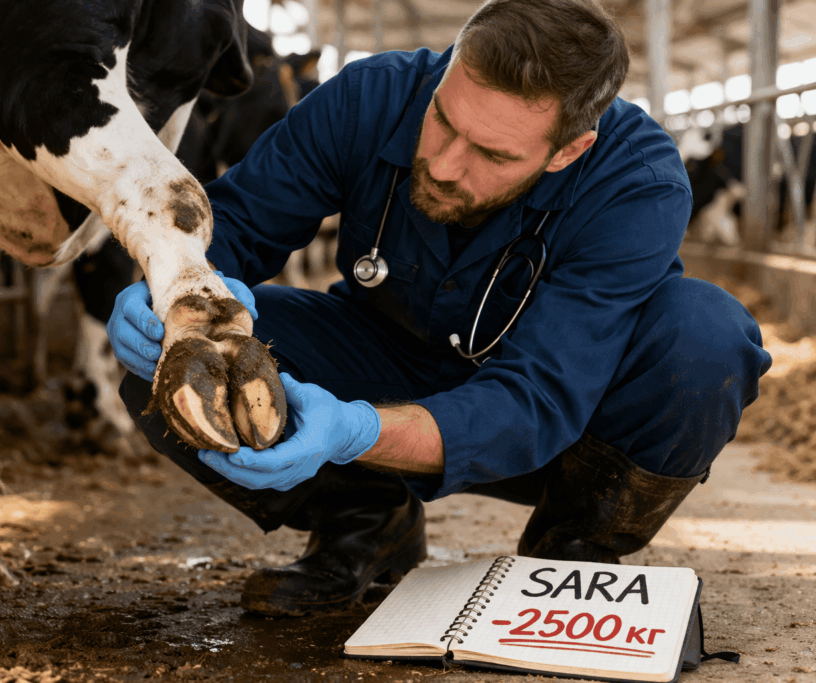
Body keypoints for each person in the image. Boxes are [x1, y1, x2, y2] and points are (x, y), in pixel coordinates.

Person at [108, 0, 772, 616]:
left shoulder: (637, 181)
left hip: (562, 427)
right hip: (380, 355)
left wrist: (358, 431)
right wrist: (172, 292)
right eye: (444, 120)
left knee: (705, 337)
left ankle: (574, 555)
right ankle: (367, 523)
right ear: (449, 67)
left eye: (493, 153)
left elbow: (539, 397)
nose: (448, 165)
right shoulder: (372, 96)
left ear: (568, 150)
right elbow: (236, 231)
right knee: (172, 369)